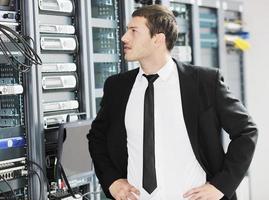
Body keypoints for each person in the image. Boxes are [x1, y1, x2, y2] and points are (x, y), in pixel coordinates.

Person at [87, 4, 258, 200]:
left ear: (158, 38)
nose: (124, 37)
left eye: (134, 31)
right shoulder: (117, 87)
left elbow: (246, 131)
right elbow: (96, 138)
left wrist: (221, 186)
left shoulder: (204, 82)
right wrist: (112, 180)